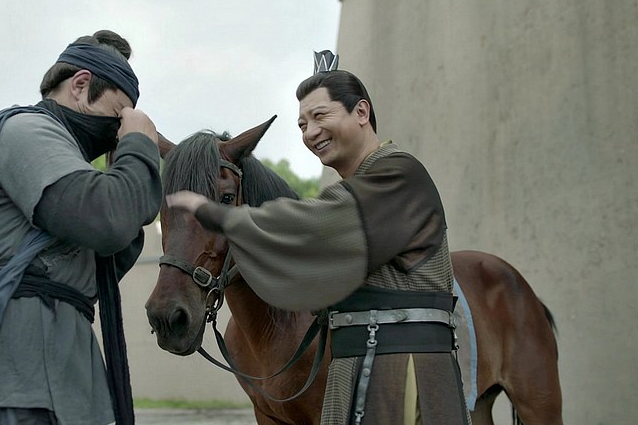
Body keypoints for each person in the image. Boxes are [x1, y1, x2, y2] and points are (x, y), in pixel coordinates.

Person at [167, 69, 470, 424]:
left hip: (401, 370)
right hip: (359, 366)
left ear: (361, 112)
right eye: (302, 125)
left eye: (320, 116)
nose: (310, 132)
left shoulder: (399, 175)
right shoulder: (363, 186)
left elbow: (314, 222)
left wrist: (216, 213)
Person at [0, 30, 162, 425]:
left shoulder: (70, 164)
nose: (116, 129)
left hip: (58, 377)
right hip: (15, 382)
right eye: (118, 112)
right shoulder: (27, 131)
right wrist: (138, 145)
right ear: (80, 85)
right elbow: (107, 221)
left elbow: (112, 249)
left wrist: (128, 172)